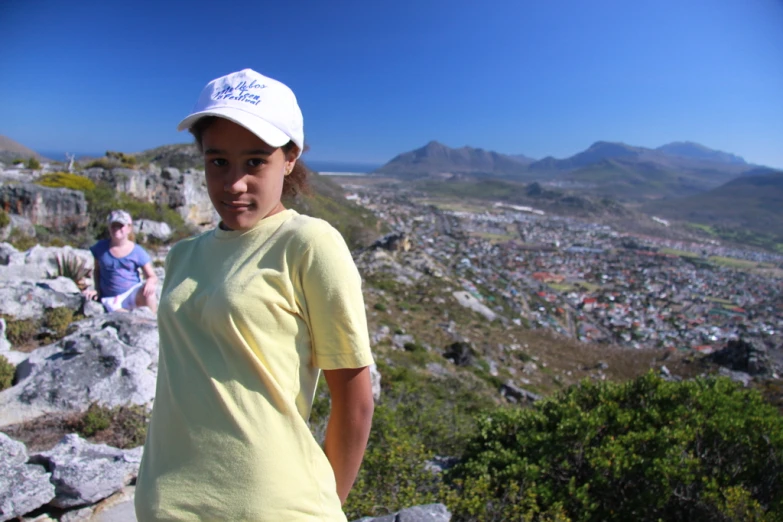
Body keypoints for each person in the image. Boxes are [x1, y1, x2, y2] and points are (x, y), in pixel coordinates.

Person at [135, 69, 375, 521]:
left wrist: (325, 502)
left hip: (273, 507)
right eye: (218, 161)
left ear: (290, 158)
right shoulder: (183, 256)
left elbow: (355, 400)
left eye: (255, 161)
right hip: (165, 499)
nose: (234, 184)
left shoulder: (308, 244)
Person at [83, 210, 158, 313]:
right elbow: (97, 271)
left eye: (120, 226)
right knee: (126, 318)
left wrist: (150, 282)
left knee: (150, 294)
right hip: (111, 298)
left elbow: (152, 276)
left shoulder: (137, 251)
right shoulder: (100, 248)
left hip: (132, 293)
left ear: (129, 228)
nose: (116, 229)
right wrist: (97, 290)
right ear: (109, 227)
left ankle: (154, 322)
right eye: (114, 226)